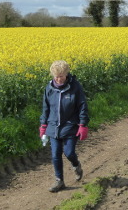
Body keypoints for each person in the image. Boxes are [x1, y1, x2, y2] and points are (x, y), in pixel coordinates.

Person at [39, 60, 89, 193]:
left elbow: (82, 106)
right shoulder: (49, 88)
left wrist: (82, 124)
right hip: (53, 126)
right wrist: (43, 125)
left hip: (70, 126)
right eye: (56, 76)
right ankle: (59, 181)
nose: (58, 79)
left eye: (61, 76)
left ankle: (76, 165)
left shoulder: (75, 87)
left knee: (69, 153)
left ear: (66, 74)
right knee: (55, 154)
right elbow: (46, 108)